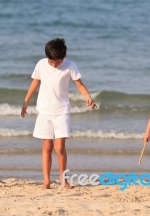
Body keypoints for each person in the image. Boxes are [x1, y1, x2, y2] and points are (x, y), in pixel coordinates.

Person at [21, 38, 97, 189]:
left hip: (62, 111)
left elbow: (79, 84)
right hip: (44, 111)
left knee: (60, 147)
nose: (53, 64)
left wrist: (88, 97)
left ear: (63, 56)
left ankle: (64, 179)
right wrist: (25, 102)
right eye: (51, 61)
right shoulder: (41, 64)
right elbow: (35, 83)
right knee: (47, 147)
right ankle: (47, 180)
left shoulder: (70, 66)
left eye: (56, 61)